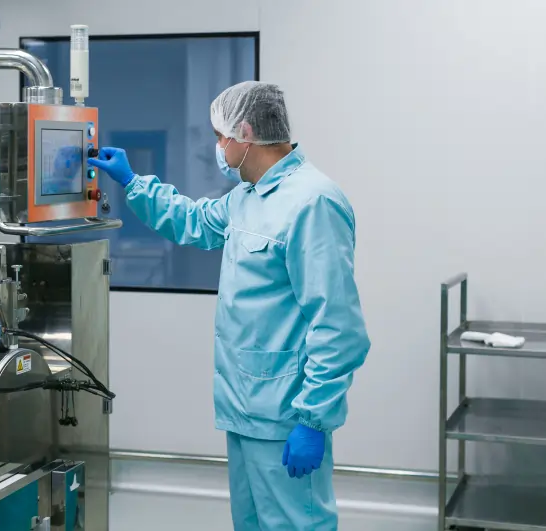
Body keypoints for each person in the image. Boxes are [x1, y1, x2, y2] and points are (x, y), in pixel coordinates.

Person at [89, 81, 370, 531]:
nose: (217, 147)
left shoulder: (312, 202)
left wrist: (314, 420)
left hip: (285, 415)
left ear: (244, 132)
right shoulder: (247, 197)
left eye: (220, 136)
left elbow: (337, 325)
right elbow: (195, 221)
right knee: (252, 524)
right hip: (244, 409)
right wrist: (133, 182)